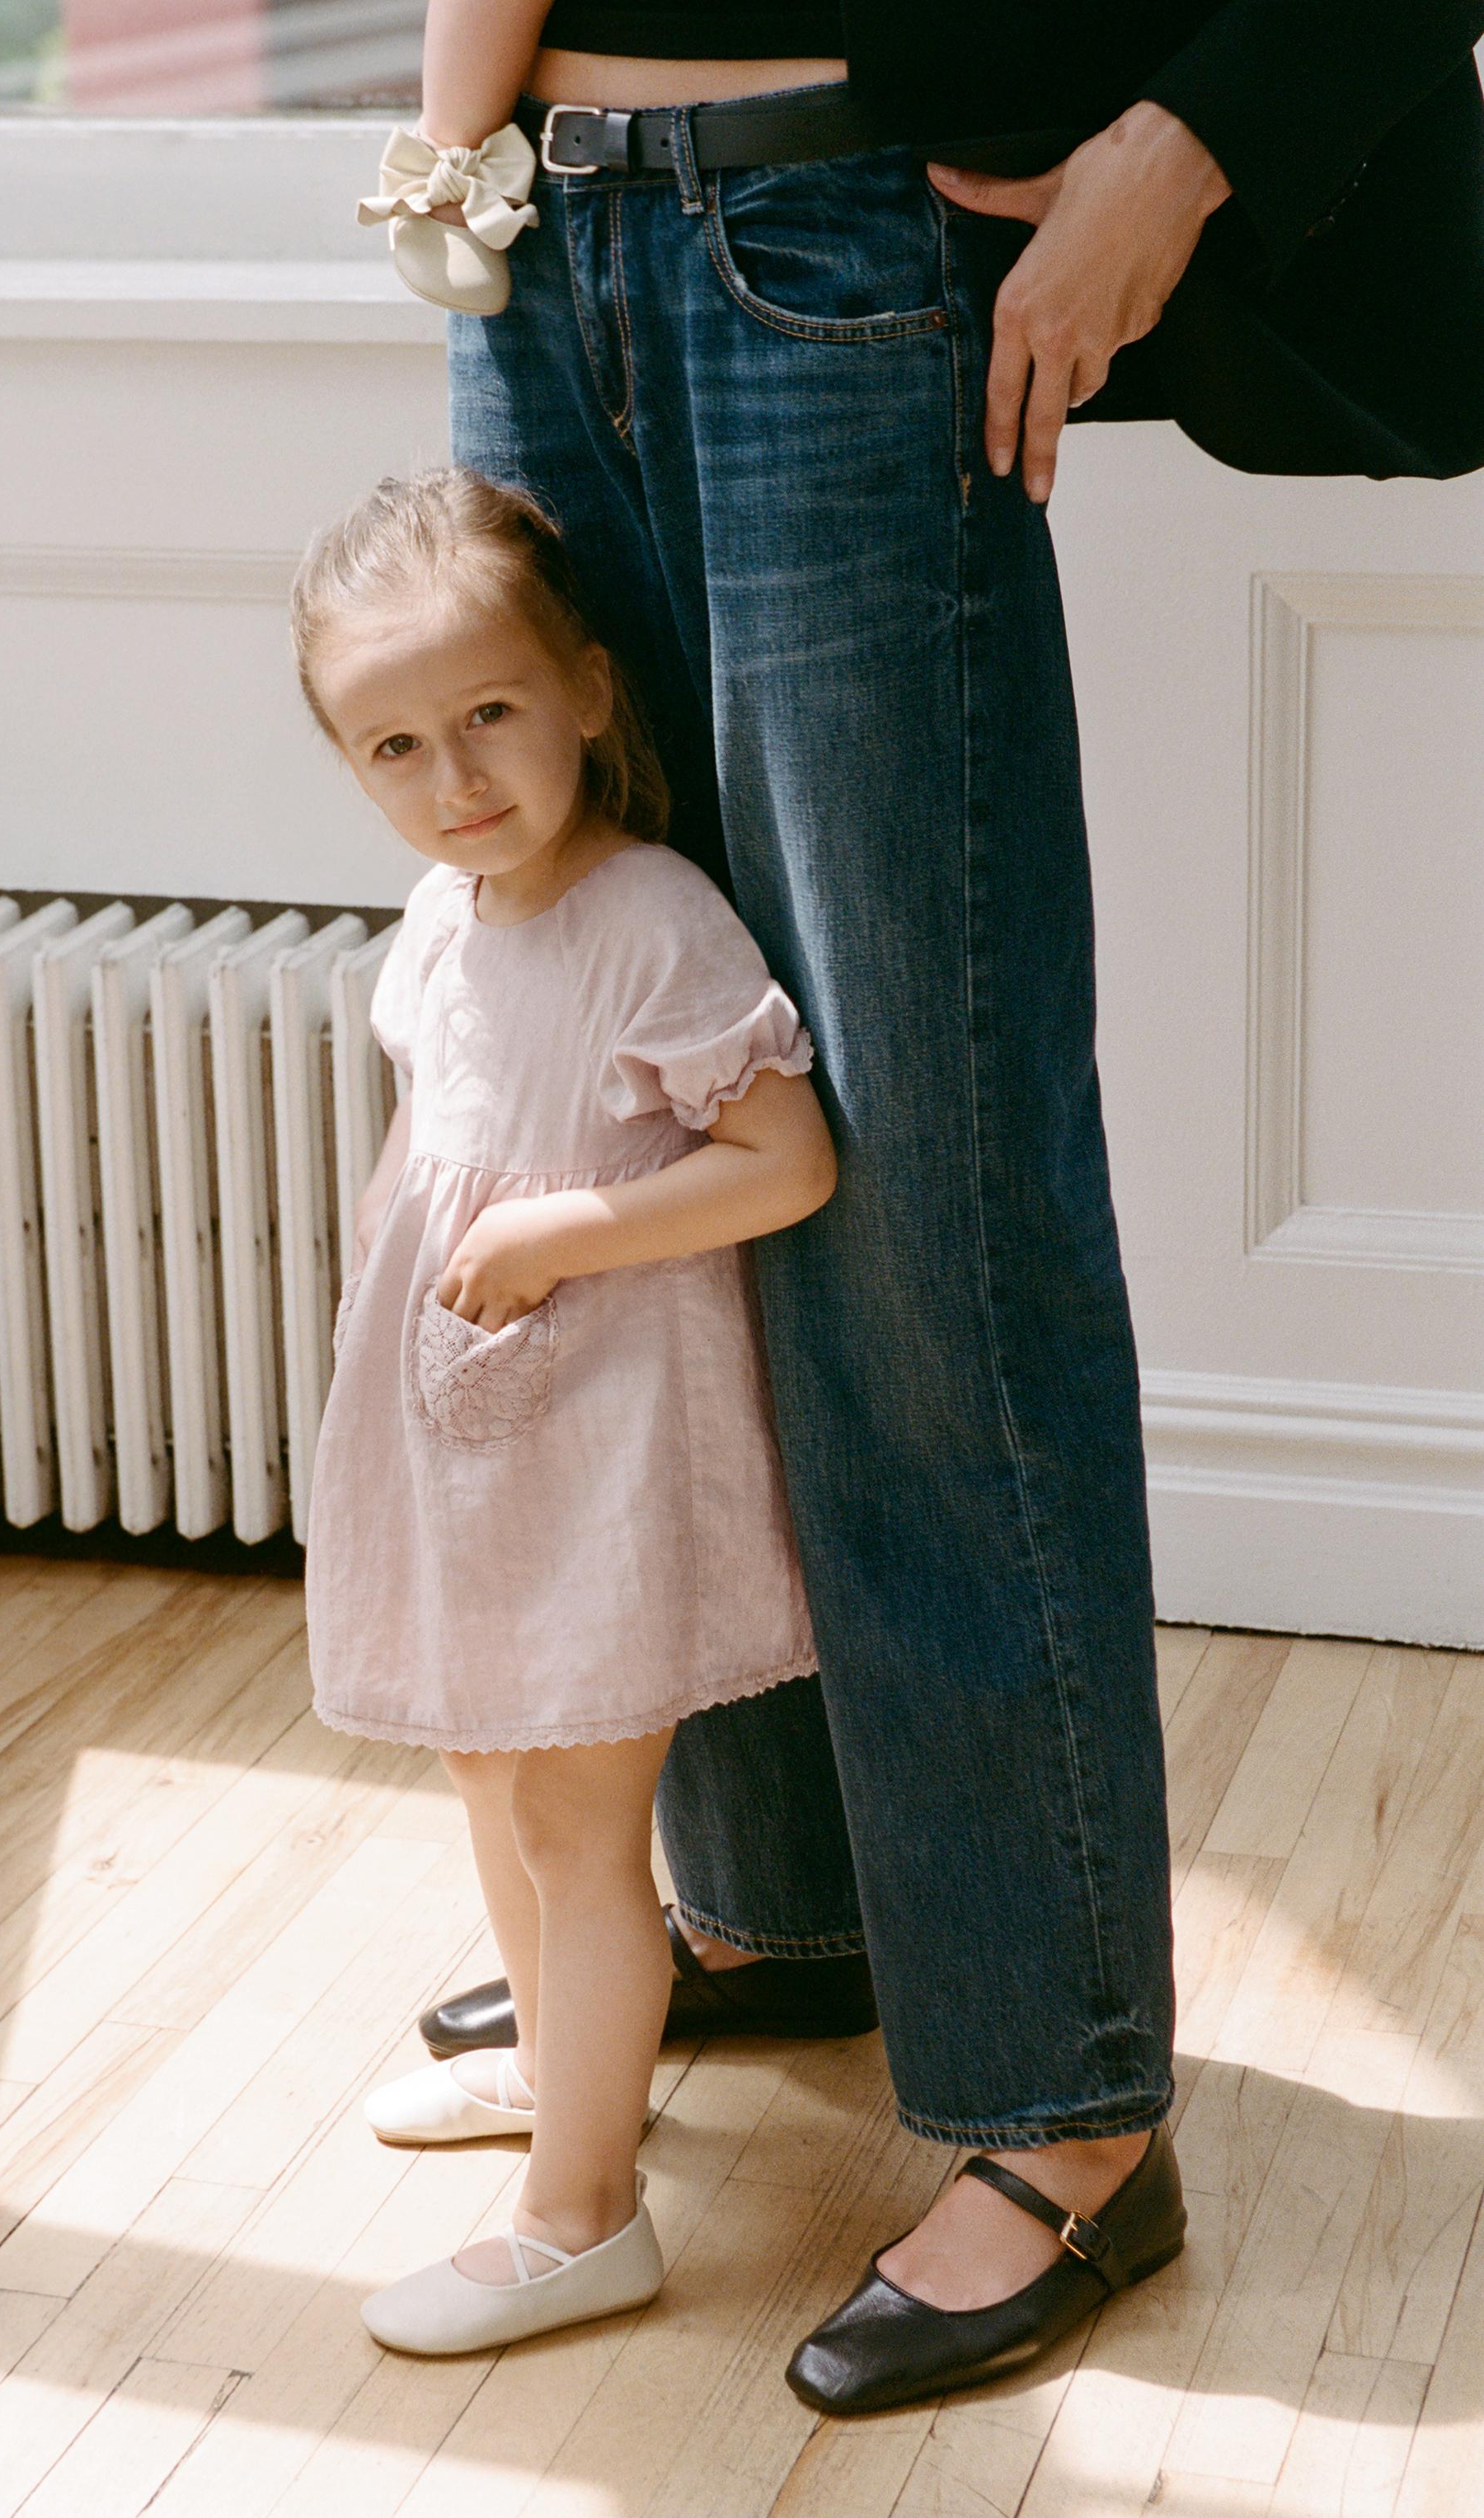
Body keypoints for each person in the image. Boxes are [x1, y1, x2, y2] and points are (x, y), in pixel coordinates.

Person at [366, 0, 1484, 2412]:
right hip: (550, 241)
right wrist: (457, 160)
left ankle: (1063, 2101)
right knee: (652, 1109)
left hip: (852, 236)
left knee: (913, 1182)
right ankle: (786, 1896)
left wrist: (1182, 151)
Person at [295, 465, 840, 2354]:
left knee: (585, 1825)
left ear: (589, 693)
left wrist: (562, 1229)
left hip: (598, 1443)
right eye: (394, 746)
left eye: (490, 714)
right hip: (463, 1435)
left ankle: (583, 2214)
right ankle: (563, 2072)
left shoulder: (647, 917)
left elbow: (783, 1162)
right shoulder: (441, 921)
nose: (453, 775)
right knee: (484, 1771)